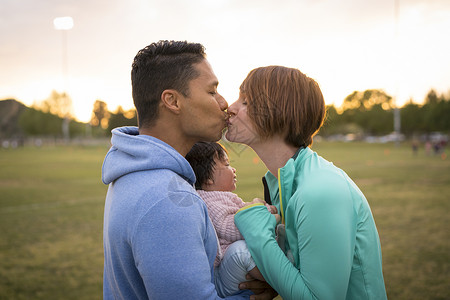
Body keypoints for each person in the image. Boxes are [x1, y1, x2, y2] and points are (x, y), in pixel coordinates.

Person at [102, 40, 275, 300]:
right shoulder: (167, 200)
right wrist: (254, 295)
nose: (224, 102)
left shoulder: (133, 172)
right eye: (212, 91)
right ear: (172, 101)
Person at [226, 65, 388, 300]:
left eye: (246, 102)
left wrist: (256, 230)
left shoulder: (319, 191)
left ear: (279, 113)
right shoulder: (285, 182)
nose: (230, 108)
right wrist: (277, 281)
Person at [185, 141, 279, 297]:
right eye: (227, 165)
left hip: (233, 271)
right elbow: (235, 228)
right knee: (240, 251)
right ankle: (280, 280)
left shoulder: (221, 197)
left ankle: (283, 267)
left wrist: (258, 208)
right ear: (208, 179)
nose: (233, 169)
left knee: (270, 241)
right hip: (223, 274)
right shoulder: (208, 202)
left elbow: (243, 213)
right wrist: (265, 212)